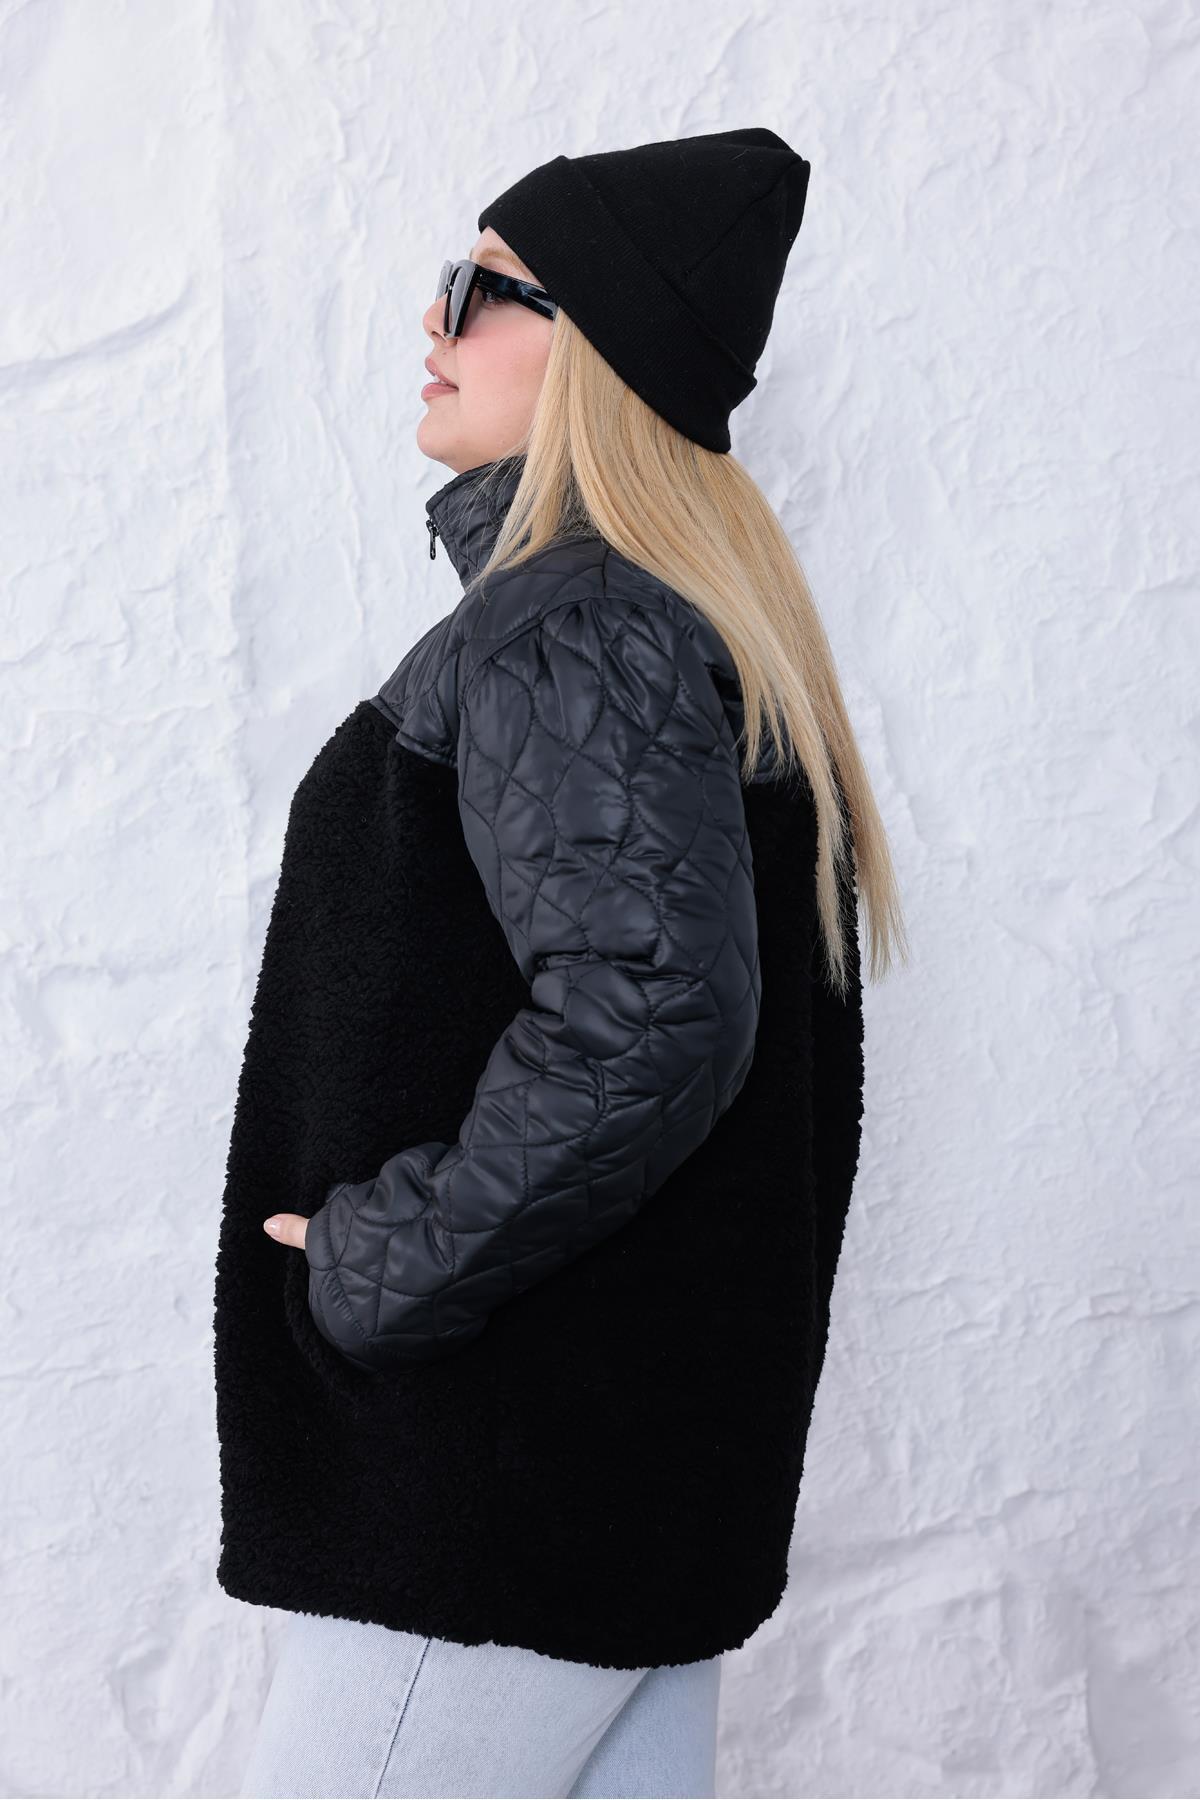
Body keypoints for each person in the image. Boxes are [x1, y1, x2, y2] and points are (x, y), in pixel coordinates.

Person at [214, 126, 908, 1799]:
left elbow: (650, 1016)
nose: (432, 322)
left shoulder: (575, 628)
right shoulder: (660, 626)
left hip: (491, 1493)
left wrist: (381, 1261)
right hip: (618, 1485)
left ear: (594, 345)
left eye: (478, 288)